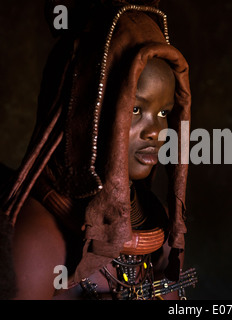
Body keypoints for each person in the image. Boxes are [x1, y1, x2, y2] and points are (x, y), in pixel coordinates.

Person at [0, 0, 195, 300]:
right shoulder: (39, 242)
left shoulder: (161, 231)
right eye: (135, 108)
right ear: (86, 113)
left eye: (163, 112)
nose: (155, 132)